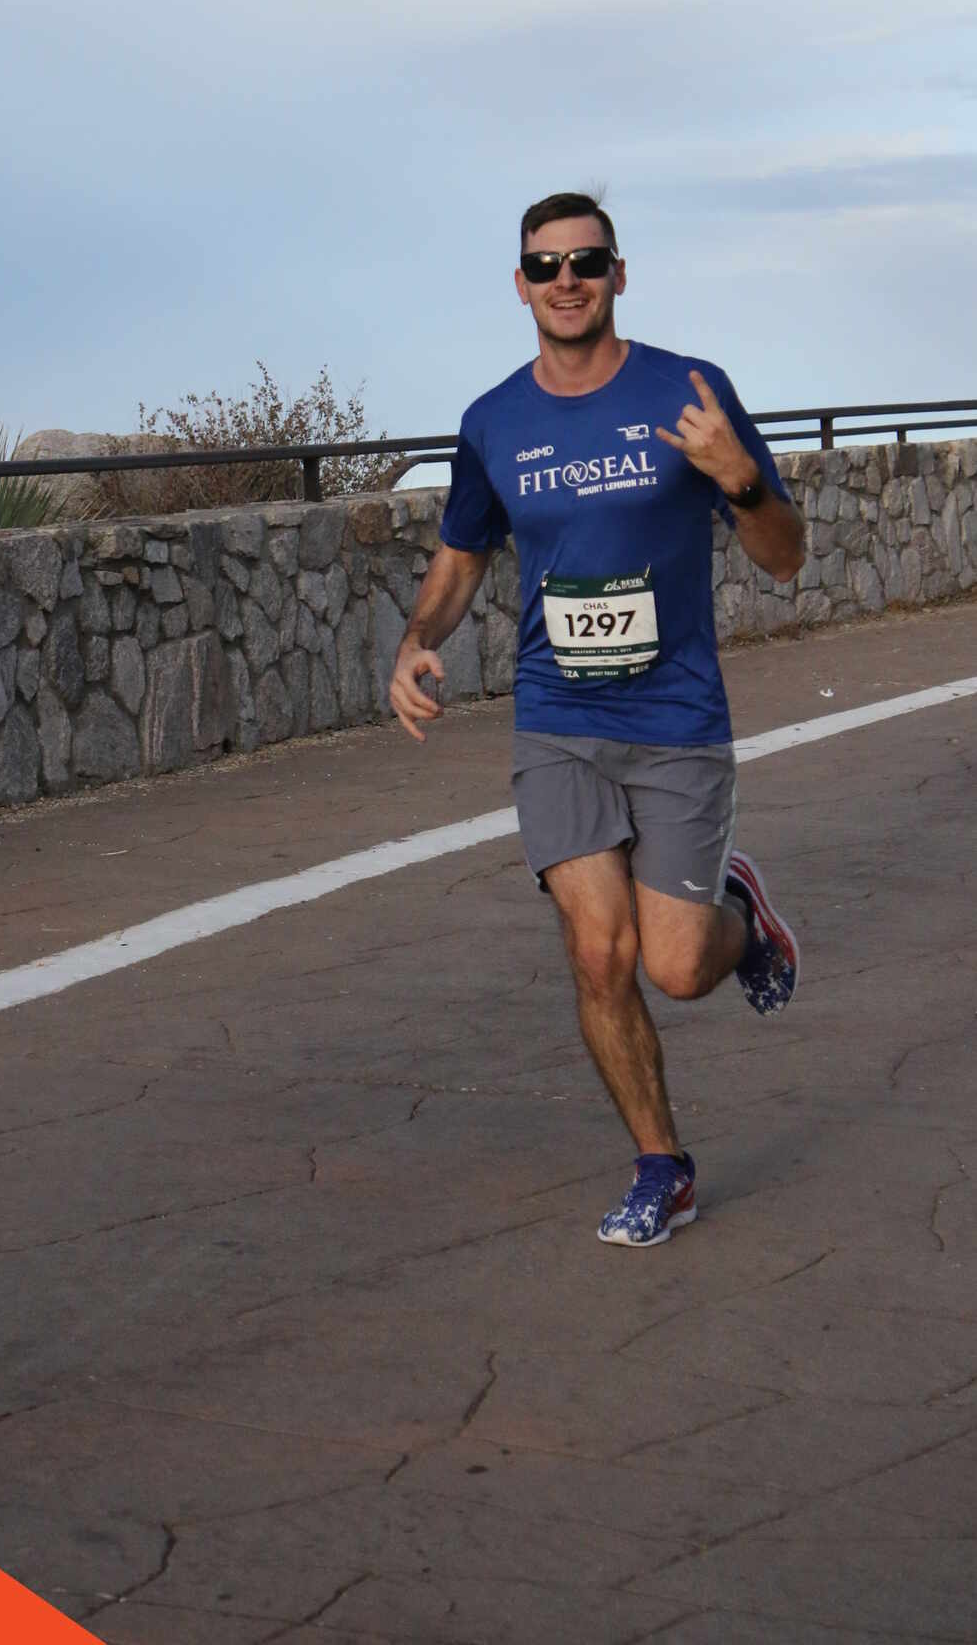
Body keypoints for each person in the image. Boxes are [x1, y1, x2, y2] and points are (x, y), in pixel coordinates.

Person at [389, 192, 806, 1248]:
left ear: (619, 273)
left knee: (676, 966)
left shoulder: (687, 390)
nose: (564, 280)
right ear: (519, 284)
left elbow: (783, 555)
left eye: (585, 261)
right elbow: (462, 554)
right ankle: (661, 1165)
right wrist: (417, 637)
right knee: (597, 953)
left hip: (674, 719)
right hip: (557, 718)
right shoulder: (492, 421)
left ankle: (740, 916)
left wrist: (740, 480)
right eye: (544, 265)